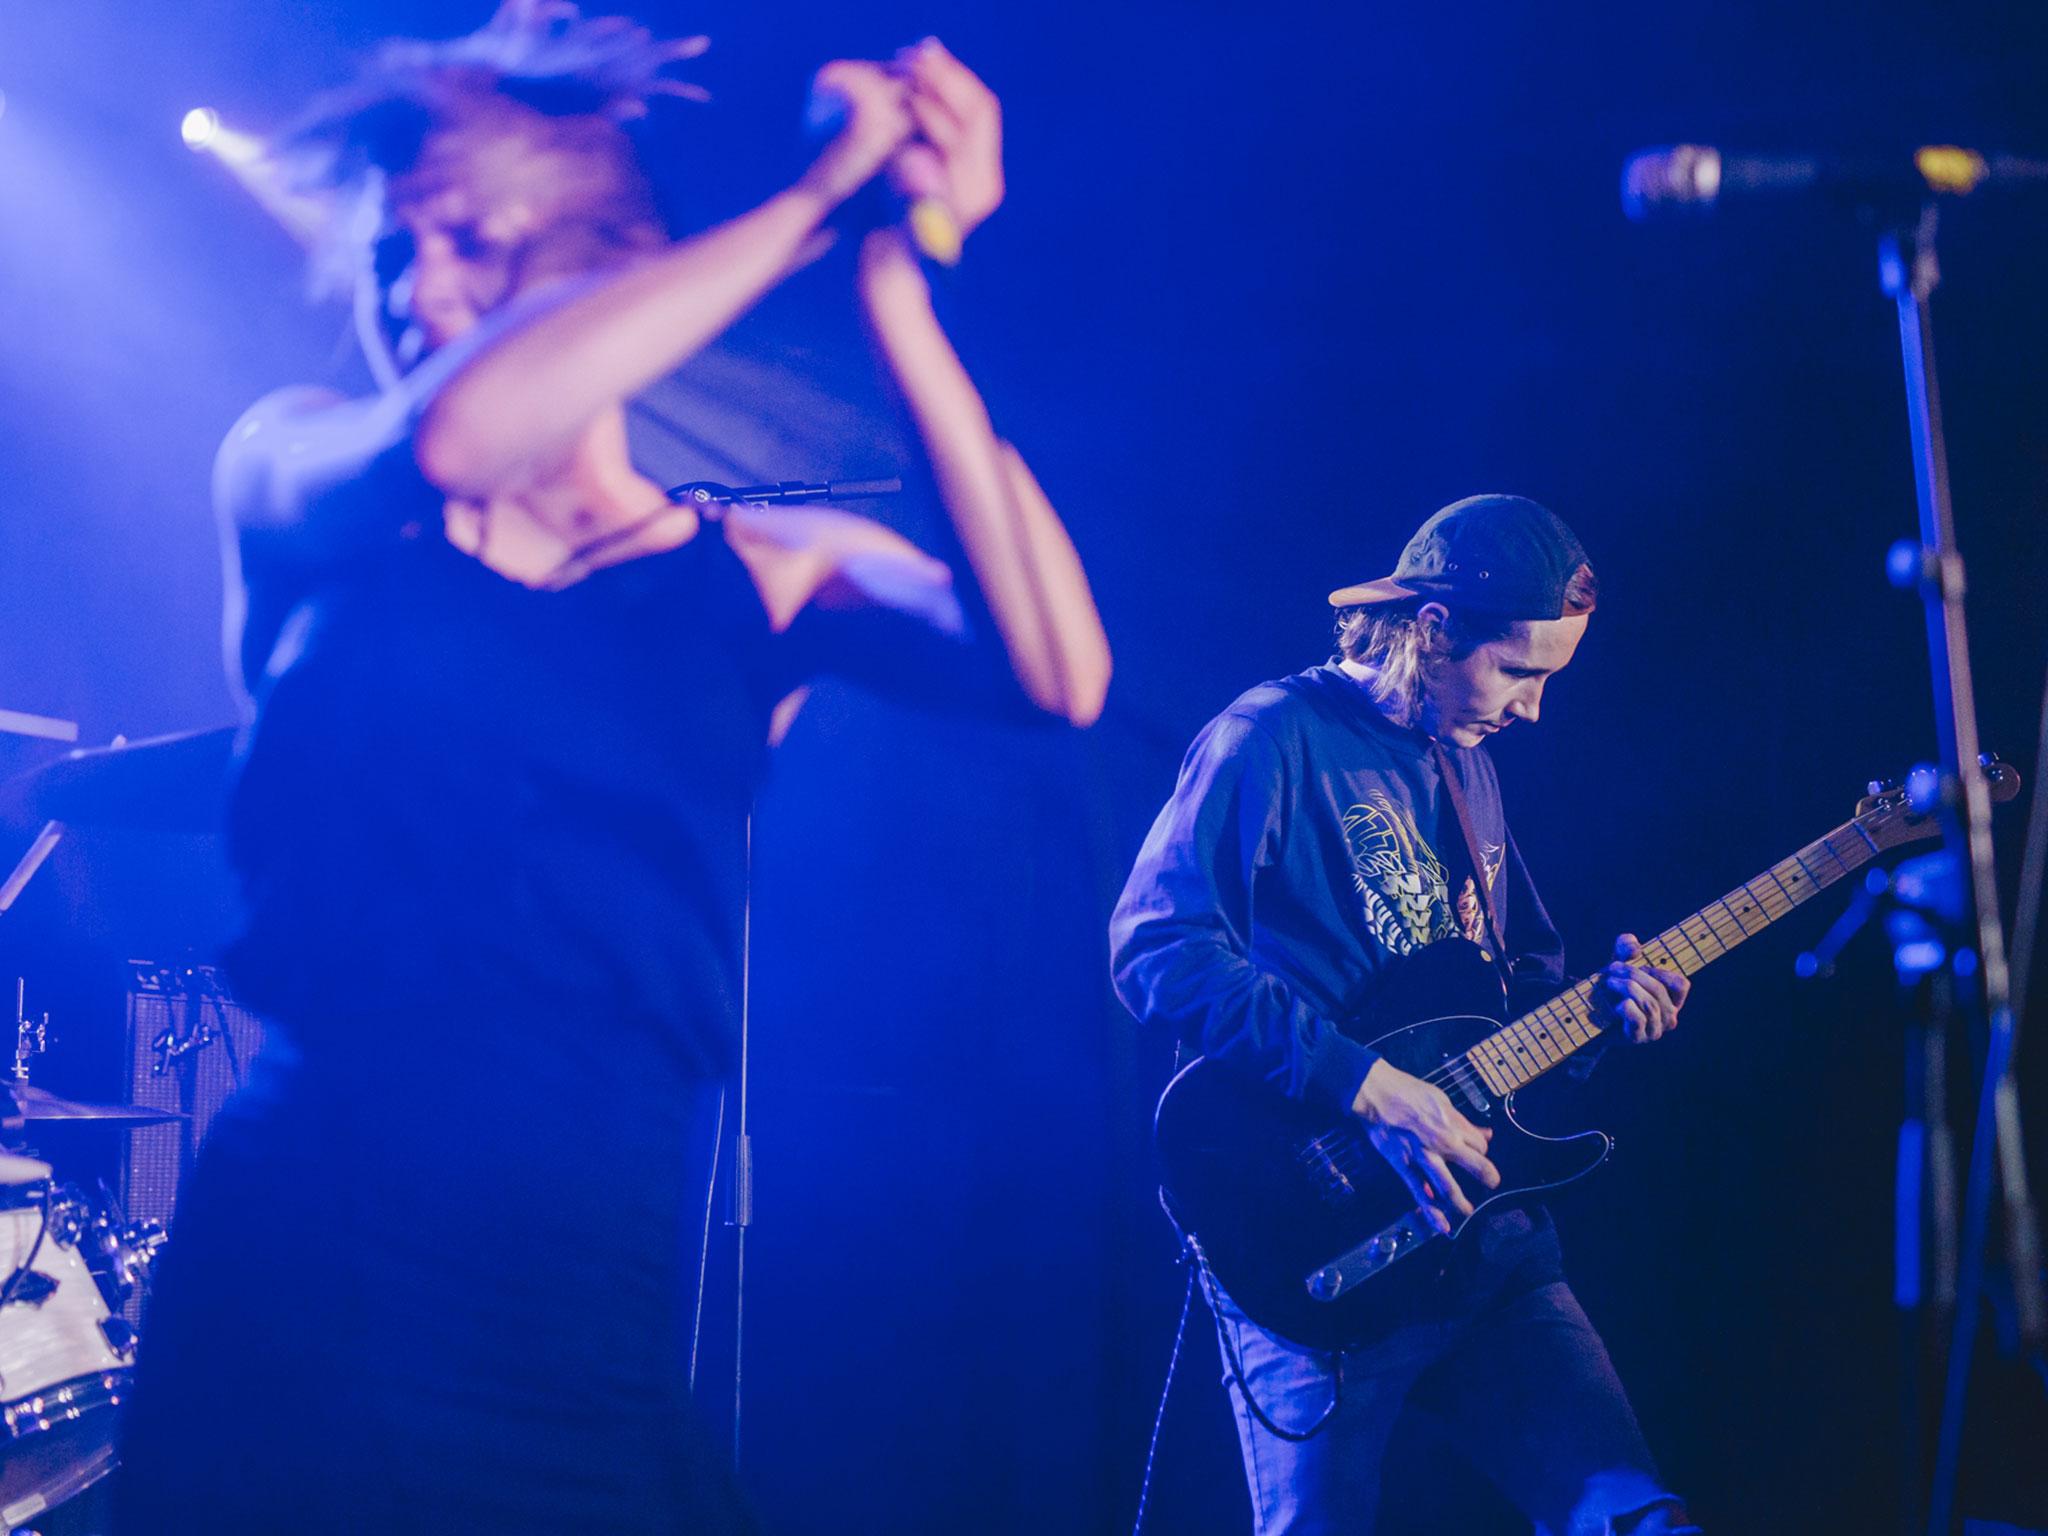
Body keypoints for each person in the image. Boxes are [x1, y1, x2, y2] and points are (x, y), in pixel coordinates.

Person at [115, 5, 1109, 1532]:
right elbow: (452, 438)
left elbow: (1058, 672)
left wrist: (891, 282)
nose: (415, 290)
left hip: (580, 1310)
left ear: (593, 272)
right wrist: (803, 208)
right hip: (307, 1257)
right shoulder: (305, 469)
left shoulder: (770, 574)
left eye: (465, 244)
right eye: (391, 255)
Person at [1109, 496, 1701, 1536]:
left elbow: (1509, 1002)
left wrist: (1603, 1018)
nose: (1531, 709)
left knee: (1639, 1519)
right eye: (1518, 671)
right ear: (1431, 630)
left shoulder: (1463, 760)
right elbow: (1154, 947)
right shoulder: (1270, 738)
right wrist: (1366, 1086)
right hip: (1313, 1246)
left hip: (1486, 1250)